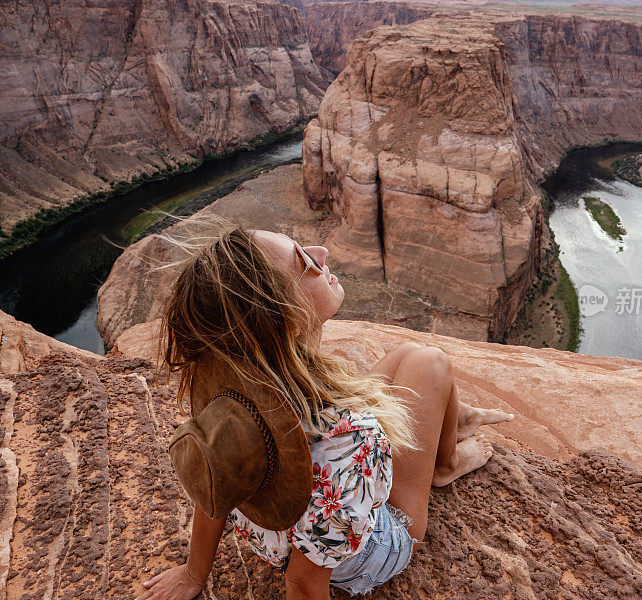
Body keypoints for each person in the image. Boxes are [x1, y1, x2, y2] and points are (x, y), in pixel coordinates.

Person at [135, 221, 514, 600]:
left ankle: (452, 416)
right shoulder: (354, 437)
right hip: (371, 547)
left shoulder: (232, 394)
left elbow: (217, 476)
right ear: (292, 320)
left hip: (278, 538)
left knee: (405, 356)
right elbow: (302, 583)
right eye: (303, 261)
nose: (321, 253)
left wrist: (193, 573)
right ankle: (444, 465)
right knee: (431, 362)